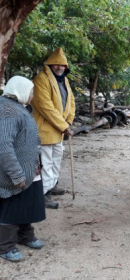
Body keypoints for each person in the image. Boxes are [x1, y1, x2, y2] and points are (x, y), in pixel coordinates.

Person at [0, 76, 46, 262]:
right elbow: (3, 145)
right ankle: (5, 245)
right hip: (15, 172)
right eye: (31, 91)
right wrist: (16, 173)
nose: (33, 95)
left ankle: (24, 235)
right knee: (12, 206)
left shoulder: (17, 107)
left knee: (29, 202)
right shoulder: (7, 110)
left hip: (29, 169)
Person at [32, 48, 76, 209]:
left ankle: (51, 185)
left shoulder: (64, 80)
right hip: (44, 131)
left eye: (62, 65)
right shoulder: (41, 80)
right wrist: (64, 126)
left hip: (58, 131)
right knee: (46, 163)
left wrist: (69, 121)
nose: (60, 67)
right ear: (49, 65)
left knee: (56, 160)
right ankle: (42, 195)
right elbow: (46, 107)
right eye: (56, 64)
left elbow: (71, 100)